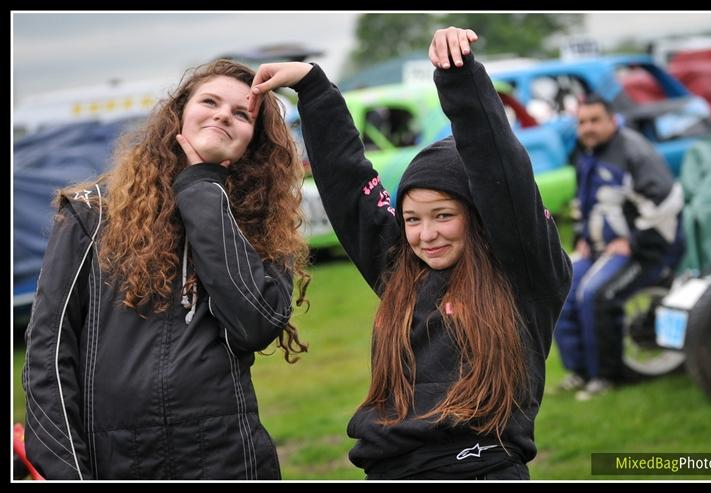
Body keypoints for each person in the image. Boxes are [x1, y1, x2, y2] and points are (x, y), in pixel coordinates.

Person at [247, 27, 572, 480]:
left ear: (477, 216)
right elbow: (350, 188)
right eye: (412, 219)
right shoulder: (403, 272)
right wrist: (314, 89)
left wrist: (460, 79)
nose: (425, 235)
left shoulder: (525, 275)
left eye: (443, 215)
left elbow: (502, 171)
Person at [23, 59, 310, 479]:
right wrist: (67, 470)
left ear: (254, 140)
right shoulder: (93, 213)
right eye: (209, 101)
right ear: (179, 113)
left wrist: (202, 188)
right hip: (113, 458)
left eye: (241, 114)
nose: (222, 116)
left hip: (223, 456)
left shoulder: (262, 225)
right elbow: (48, 351)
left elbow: (255, 323)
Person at [554, 94, 684, 400]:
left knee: (595, 294)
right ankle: (579, 371)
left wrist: (635, 241)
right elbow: (587, 204)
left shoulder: (634, 151)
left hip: (646, 249)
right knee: (559, 288)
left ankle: (605, 377)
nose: (588, 128)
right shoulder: (587, 153)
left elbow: (667, 201)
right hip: (602, 249)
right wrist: (583, 236)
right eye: (582, 122)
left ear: (613, 120)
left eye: (595, 120)